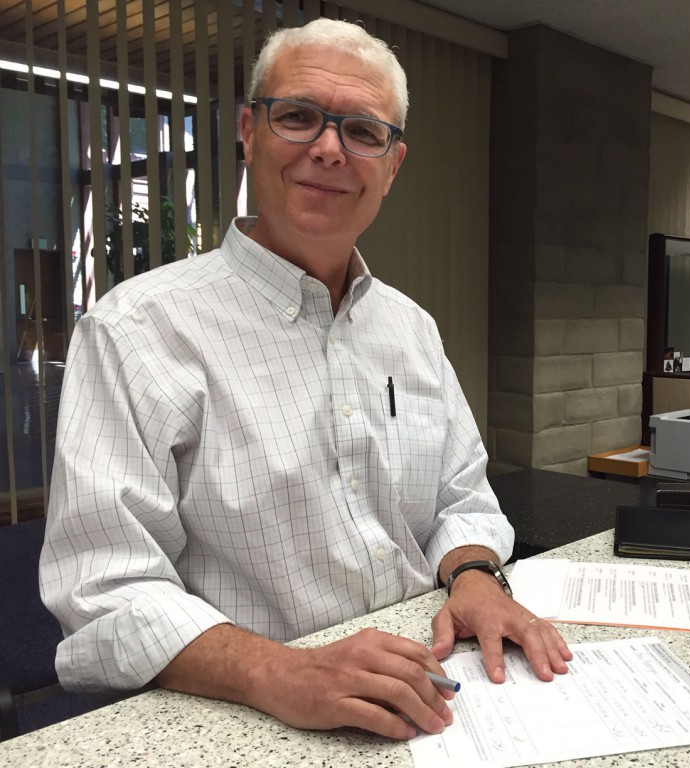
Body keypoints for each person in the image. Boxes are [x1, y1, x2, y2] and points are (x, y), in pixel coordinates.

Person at [39, 18, 571, 742]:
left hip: (441, 684)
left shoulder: (410, 328)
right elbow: (104, 589)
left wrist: (477, 577)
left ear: (392, 164)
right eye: (298, 117)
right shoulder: (135, 330)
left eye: (361, 130)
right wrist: (282, 672)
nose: (328, 148)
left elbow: (462, 496)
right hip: (248, 717)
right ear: (249, 132)